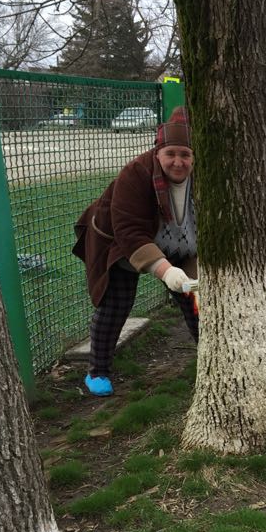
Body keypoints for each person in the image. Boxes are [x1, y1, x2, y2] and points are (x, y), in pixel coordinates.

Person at [72, 106, 198, 396]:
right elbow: (128, 231)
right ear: (158, 153)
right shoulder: (135, 173)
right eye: (171, 154)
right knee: (116, 304)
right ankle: (98, 371)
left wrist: (185, 274)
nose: (178, 162)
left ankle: (211, 356)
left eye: (185, 155)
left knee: (194, 298)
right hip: (120, 241)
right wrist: (166, 271)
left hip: (178, 239)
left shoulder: (201, 176)